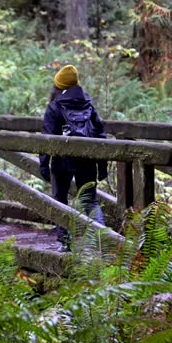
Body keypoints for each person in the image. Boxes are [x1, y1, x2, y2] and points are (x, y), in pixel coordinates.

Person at [39, 65, 107, 251]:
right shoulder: (88, 105)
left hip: (62, 161)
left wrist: (44, 164)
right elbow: (101, 136)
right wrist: (102, 165)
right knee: (90, 201)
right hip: (88, 159)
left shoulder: (54, 107)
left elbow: (47, 139)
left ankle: (65, 243)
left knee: (60, 200)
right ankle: (104, 240)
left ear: (58, 85)